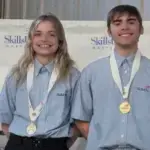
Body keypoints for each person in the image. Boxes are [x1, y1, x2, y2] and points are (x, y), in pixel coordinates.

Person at [71, 4, 150, 150]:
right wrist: (100, 141)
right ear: (109, 31)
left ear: (141, 29)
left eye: (131, 22)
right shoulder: (92, 72)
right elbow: (81, 118)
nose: (125, 27)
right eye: (117, 23)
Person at [0, 13, 80, 150]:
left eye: (51, 34)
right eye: (38, 34)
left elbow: (78, 121)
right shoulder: (16, 75)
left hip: (55, 145)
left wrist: (59, 145)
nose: (44, 39)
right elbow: (5, 118)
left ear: (60, 40)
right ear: (31, 39)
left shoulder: (73, 76)